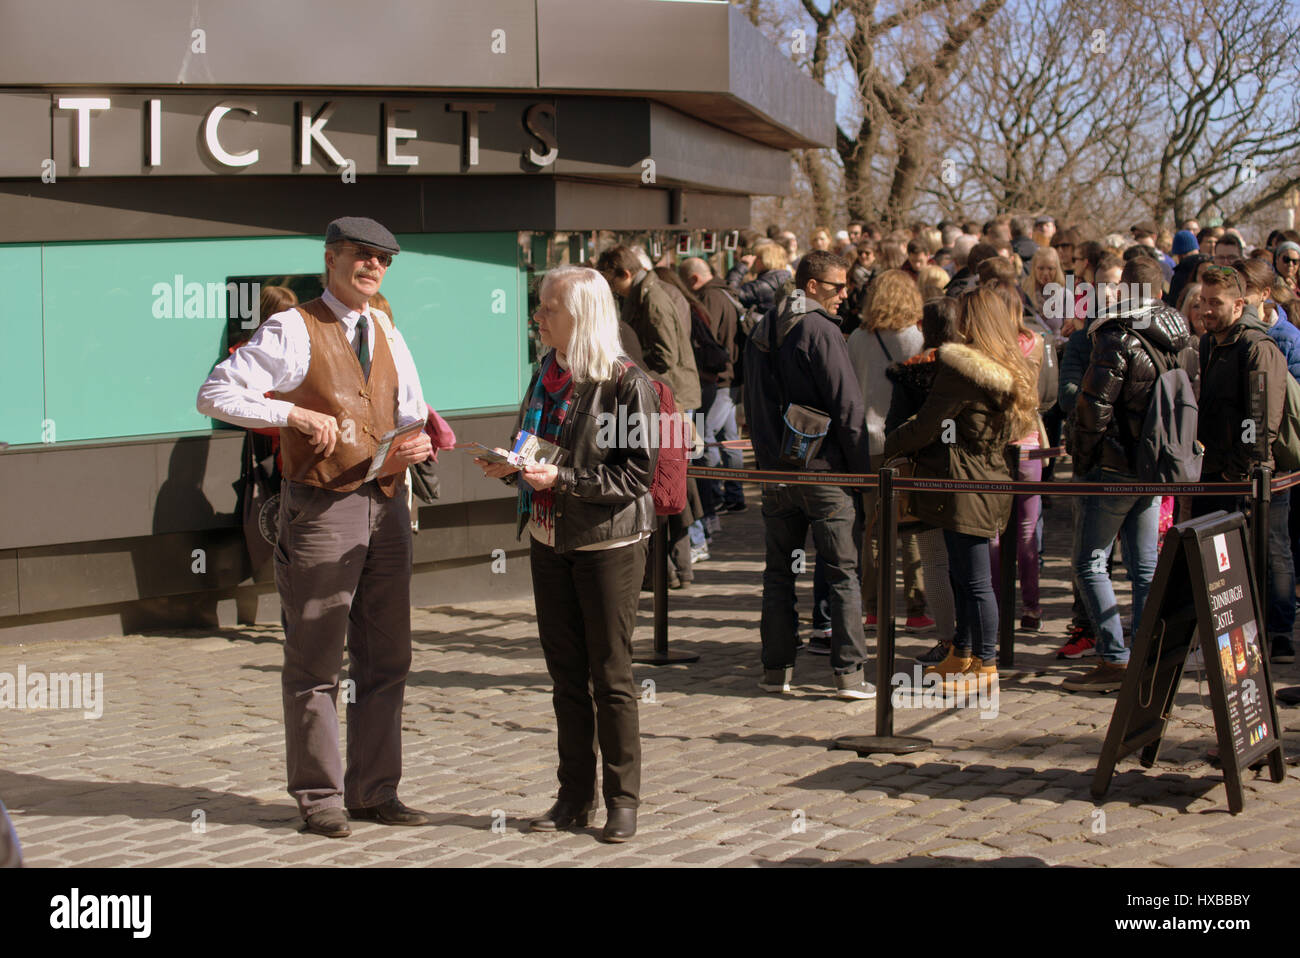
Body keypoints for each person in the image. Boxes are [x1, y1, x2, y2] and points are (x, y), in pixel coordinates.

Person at [196, 217, 433, 838]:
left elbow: (410, 411)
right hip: (324, 506)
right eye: (361, 255)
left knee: (388, 656)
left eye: (383, 258)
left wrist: (412, 446)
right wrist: (291, 413)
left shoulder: (382, 325)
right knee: (316, 655)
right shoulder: (291, 326)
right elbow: (215, 393)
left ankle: (376, 789)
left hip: (385, 503)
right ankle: (319, 795)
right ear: (331, 258)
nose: (373, 267)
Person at [475, 266, 656, 843]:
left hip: (608, 542)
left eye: (548, 308)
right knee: (565, 678)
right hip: (549, 537)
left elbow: (637, 475)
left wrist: (564, 479)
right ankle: (574, 796)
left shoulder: (627, 383)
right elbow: (533, 446)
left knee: (611, 674)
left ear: (581, 314)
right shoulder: (545, 376)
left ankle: (622, 799)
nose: (538, 317)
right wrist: (513, 467)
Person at [883, 288, 1037, 690]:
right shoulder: (1009, 366)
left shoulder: (961, 369)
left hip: (962, 484)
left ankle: (984, 665)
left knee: (973, 580)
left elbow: (926, 425)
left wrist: (890, 444)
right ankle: (962, 654)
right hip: (989, 478)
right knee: (966, 575)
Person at [1063, 256, 1199, 692]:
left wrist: (1083, 457)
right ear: (1159, 293)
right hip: (1159, 464)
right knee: (1144, 565)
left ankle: (1115, 657)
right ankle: (1144, 655)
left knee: (1090, 562)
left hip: (1117, 463)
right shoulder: (1182, 336)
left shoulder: (1116, 334)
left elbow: (1095, 405)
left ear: (1126, 292)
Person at [743, 249, 875, 699]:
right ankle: (849, 673)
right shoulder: (819, 329)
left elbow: (753, 406)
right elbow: (849, 407)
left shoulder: (762, 328)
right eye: (838, 287)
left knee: (779, 573)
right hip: (825, 474)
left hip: (779, 474)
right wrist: (864, 476)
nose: (845, 295)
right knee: (842, 572)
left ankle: (775, 669)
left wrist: (766, 464)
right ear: (813, 287)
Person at [1192, 263, 1295, 663]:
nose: (1206, 309)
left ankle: (1278, 635)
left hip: (1253, 476)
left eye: (1215, 302)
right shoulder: (1208, 343)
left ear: (1238, 304)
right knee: (1216, 560)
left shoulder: (1257, 346)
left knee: (1269, 553)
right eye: (1202, 301)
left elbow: (1261, 416)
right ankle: (1225, 634)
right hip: (1214, 471)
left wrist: (1243, 467)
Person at [848, 269, 932, 632]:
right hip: (907, 441)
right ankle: (916, 606)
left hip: (867, 442)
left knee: (874, 528)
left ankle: (873, 607)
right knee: (912, 524)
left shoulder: (856, 339)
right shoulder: (918, 338)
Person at [884, 297, 963, 663]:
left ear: (922, 328)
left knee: (935, 560)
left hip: (929, 474)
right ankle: (968, 640)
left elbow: (896, 428)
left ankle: (950, 641)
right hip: (966, 473)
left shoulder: (916, 372)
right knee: (966, 561)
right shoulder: (972, 367)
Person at [680, 257, 746, 517]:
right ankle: (734, 494)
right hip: (731, 377)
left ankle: (716, 495)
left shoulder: (709, 298)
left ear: (694, 279)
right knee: (730, 441)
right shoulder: (727, 293)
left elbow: (708, 340)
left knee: (705, 439)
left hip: (717, 379)